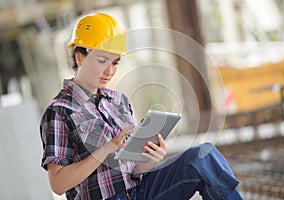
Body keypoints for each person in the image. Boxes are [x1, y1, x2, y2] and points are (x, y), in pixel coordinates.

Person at [40, 12, 243, 200]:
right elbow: (58, 184)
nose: (110, 71)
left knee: (202, 157)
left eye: (116, 62)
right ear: (80, 58)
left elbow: (135, 169)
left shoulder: (119, 102)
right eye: (102, 61)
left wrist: (151, 158)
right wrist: (106, 149)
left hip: (140, 190)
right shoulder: (60, 111)